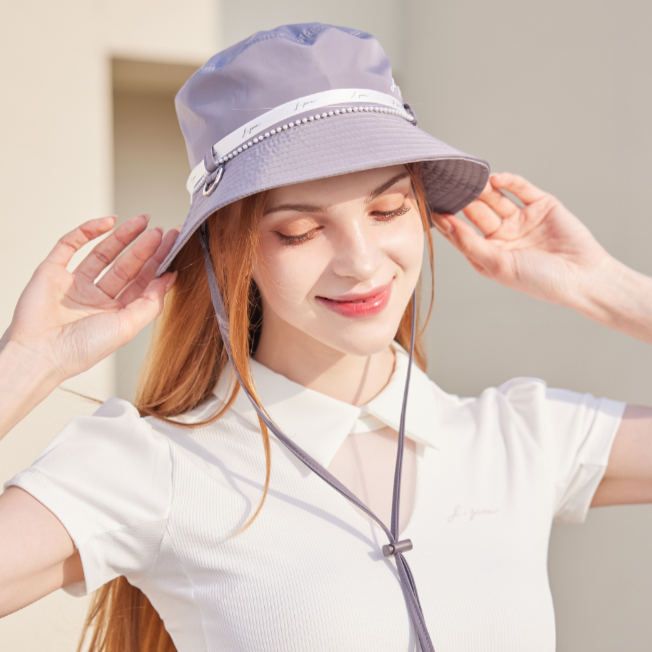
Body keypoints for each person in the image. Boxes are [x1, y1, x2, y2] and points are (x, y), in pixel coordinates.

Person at [1, 21, 651, 652]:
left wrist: (605, 287)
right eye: (300, 231)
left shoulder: (521, 437)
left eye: (388, 210)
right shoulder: (154, 468)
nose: (362, 262)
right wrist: (25, 365)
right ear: (234, 253)